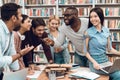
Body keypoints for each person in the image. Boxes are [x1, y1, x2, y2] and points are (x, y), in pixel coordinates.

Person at [84, 7, 120, 80]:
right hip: (95, 64)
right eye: (91, 17)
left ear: (100, 17)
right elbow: (84, 51)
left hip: (106, 62)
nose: (93, 19)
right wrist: (94, 62)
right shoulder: (88, 32)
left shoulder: (106, 31)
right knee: (118, 75)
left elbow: (110, 49)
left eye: (95, 16)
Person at [0, 3, 34, 80]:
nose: (22, 18)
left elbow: (12, 57)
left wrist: (21, 76)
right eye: (20, 16)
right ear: (14, 18)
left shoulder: (10, 32)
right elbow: (1, 62)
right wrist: (20, 54)